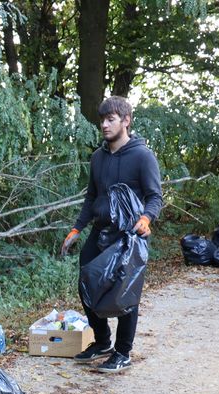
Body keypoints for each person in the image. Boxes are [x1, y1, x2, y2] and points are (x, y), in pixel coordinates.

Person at [60, 96, 162, 373]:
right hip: (101, 230)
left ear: (126, 121)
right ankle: (102, 341)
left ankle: (123, 352)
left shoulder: (142, 156)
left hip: (130, 233)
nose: (104, 125)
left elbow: (155, 196)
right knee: (87, 279)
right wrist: (76, 228)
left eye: (110, 119)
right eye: (102, 120)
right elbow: (91, 198)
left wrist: (145, 218)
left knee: (125, 291)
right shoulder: (97, 158)